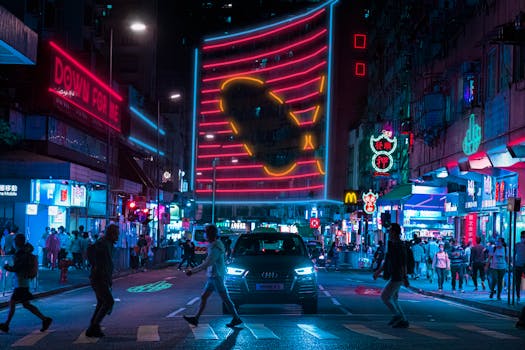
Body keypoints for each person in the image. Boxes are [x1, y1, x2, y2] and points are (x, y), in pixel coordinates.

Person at [183, 224, 242, 328]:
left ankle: (236, 318)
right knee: (204, 297)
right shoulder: (213, 245)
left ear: (210, 234)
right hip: (212, 276)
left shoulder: (216, 247)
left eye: (206, 232)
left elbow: (208, 262)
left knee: (225, 299)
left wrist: (192, 271)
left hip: (217, 277)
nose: (204, 235)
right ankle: (196, 318)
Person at [0, 234, 52, 333]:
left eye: (15, 241)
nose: (14, 242)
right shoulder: (25, 252)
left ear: (18, 242)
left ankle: (6, 324)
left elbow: (17, 268)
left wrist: (7, 267)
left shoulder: (21, 254)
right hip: (23, 282)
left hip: (21, 283)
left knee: (13, 302)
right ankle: (45, 319)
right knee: (26, 304)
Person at [373, 223, 409, 328]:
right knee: (394, 298)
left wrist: (378, 272)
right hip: (397, 275)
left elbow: (400, 262)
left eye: (390, 231)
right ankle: (403, 320)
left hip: (398, 275)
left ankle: (397, 315)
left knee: (385, 296)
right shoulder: (397, 244)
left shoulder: (396, 246)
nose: (388, 233)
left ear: (394, 232)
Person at [86, 224, 119, 338]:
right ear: (112, 234)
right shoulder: (103, 244)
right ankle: (94, 326)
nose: (118, 236)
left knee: (101, 302)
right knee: (108, 301)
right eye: (116, 234)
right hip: (99, 277)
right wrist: (103, 274)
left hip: (101, 277)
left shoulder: (107, 244)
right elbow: (102, 263)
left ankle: (93, 327)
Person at [514, 231, 525, 303]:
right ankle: (518, 296)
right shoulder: (517, 245)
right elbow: (514, 254)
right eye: (522, 237)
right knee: (517, 282)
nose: (523, 238)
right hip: (518, 265)